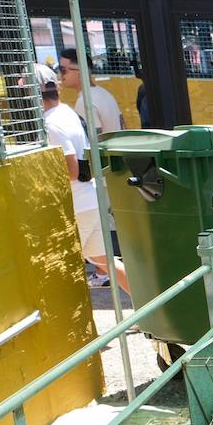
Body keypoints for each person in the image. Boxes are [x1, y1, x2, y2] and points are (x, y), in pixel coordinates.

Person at [41, 67, 131, 294]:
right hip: (90, 199)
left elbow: (71, 170)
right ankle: (151, 309)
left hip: (79, 206)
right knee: (105, 261)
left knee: (63, 265)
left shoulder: (50, 123)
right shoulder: (66, 112)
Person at [58, 48, 123, 134]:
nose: (60, 75)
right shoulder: (104, 93)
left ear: (80, 71)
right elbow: (122, 123)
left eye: (63, 70)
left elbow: (94, 141)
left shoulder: (85, 101)